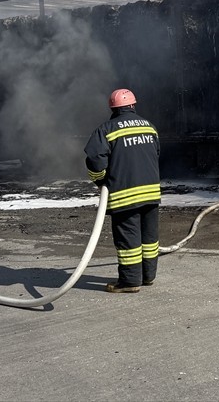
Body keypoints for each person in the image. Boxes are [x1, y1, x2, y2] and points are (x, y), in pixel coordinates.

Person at [84, 88, 161, 293]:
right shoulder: (149, 127)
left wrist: (100, 181)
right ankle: (148, 277)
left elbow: (94, 159)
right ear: (133, 105)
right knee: (149, 239)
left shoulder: (106, 129)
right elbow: (157, 153)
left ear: (112, 107)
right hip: (152, 193)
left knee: (129, 240)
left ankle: (130, 282)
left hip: (125, 195)